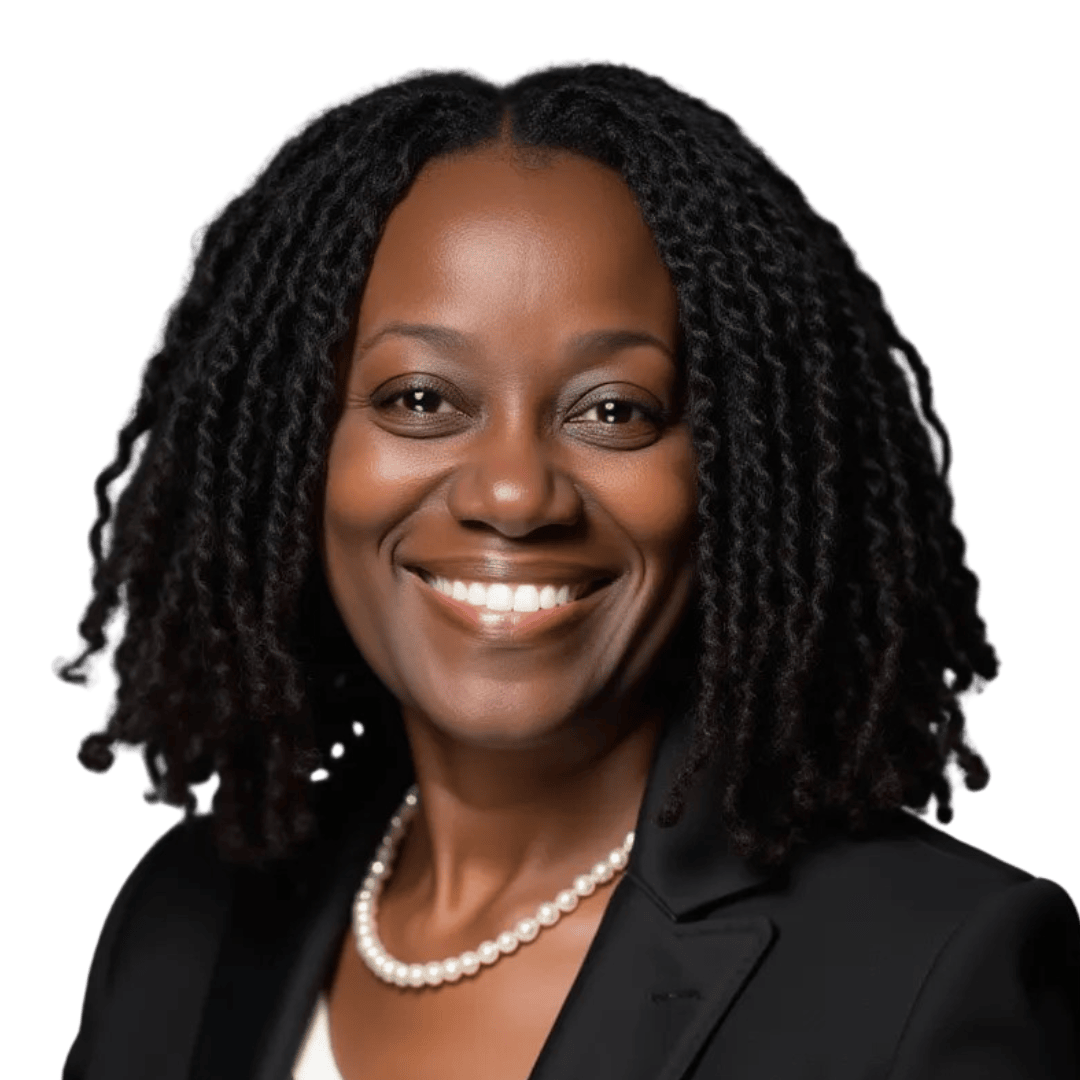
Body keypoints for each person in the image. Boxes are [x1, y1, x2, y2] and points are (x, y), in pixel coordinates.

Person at [54, 61, 1079, 1080]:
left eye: (614, 411)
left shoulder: (931, 974)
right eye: (420, 400)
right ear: (293, 453)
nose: (514, 493)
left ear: (740, 469)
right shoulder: (182, 921)